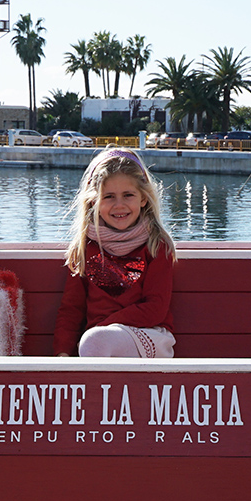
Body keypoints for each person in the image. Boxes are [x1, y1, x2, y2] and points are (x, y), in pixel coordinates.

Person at [54, 146, 177, 358]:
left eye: (128, 195)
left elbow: (155, 308)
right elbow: (71, 310)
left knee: (95, 341)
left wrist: (103, 326)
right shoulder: (85, 249)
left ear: (143, 199)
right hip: (98, 345)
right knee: (96, 343)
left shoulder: (157, 245)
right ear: (94, 201)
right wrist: (62, 353)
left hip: (149, 335)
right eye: (109, 196)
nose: (119, 205)